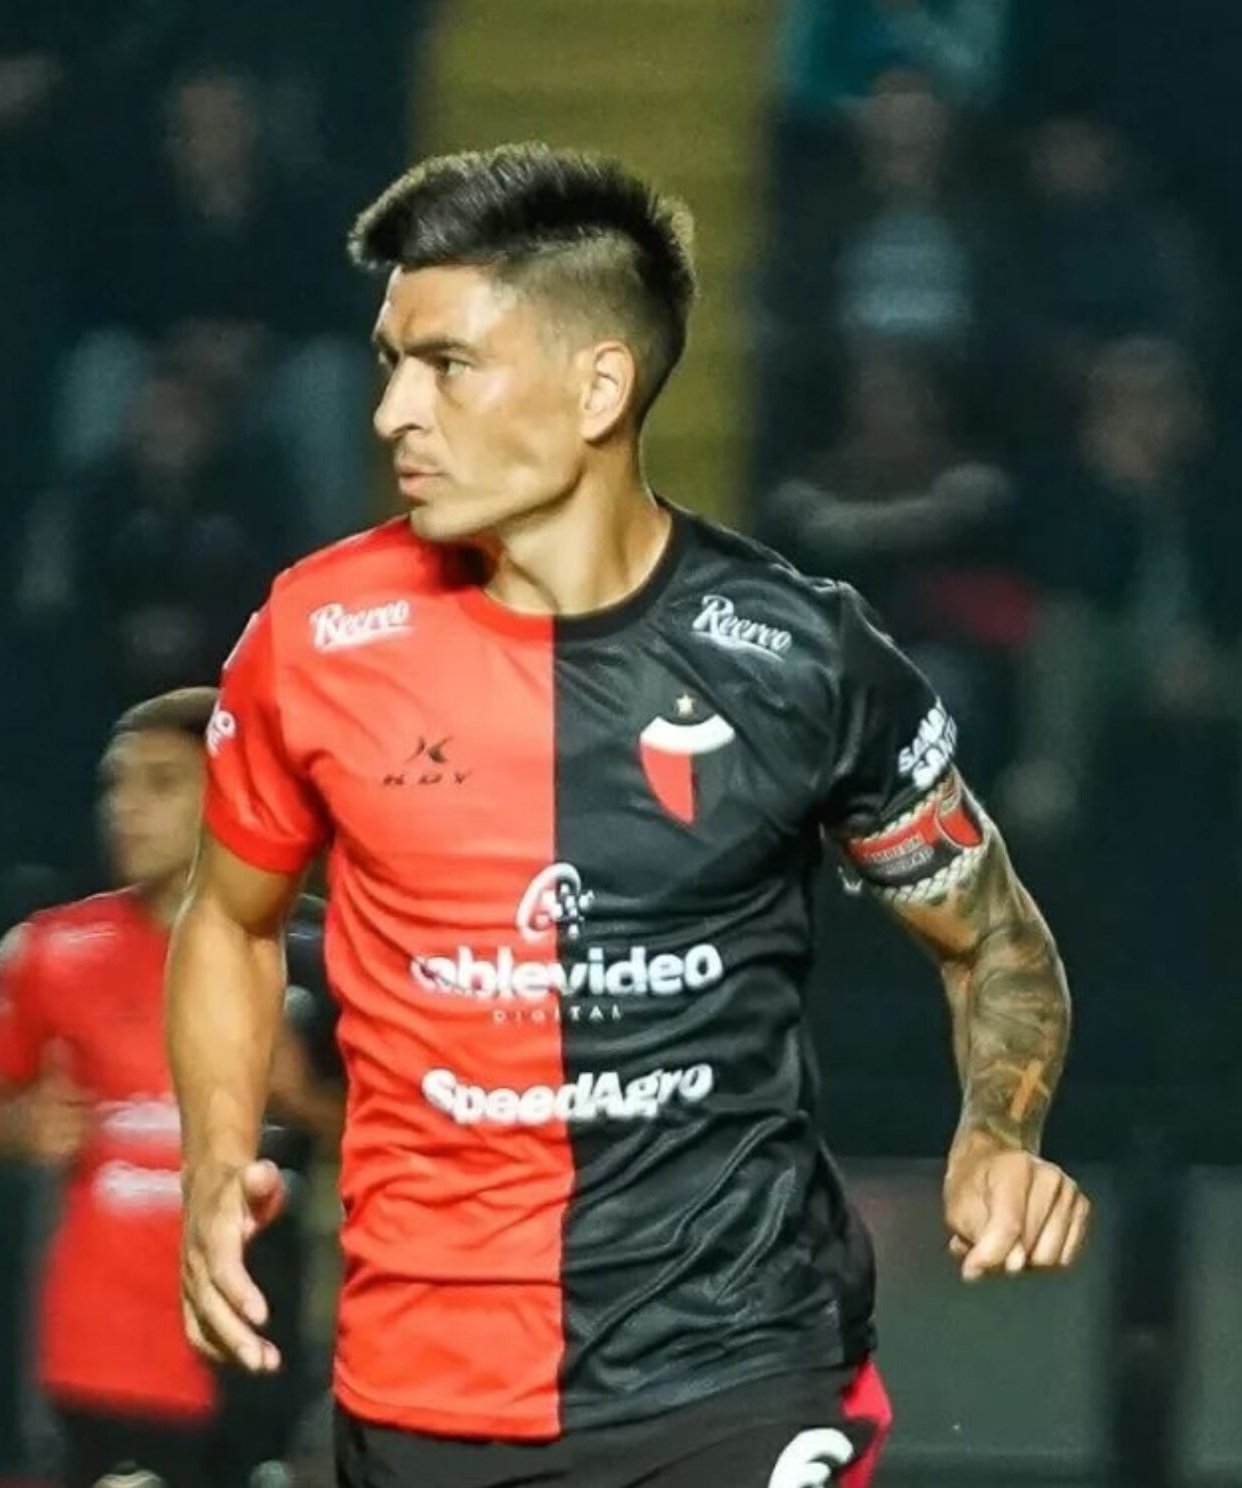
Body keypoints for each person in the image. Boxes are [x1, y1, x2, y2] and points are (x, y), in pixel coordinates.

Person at [168, 143, 1090, 1488]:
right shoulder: (315, 638)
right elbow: (228, 921)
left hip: (740, 1369)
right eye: (389, 363)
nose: (393, 414)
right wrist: (211, 1162)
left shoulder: (798, 660)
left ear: (599, 387)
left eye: (447, 366)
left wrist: (996, 1136)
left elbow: (994, 940)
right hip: (420, 1384)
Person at [0, 687, 341, 1488]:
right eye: (115, 785)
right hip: (102, 1361)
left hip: (269, 1351)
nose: (125, 809)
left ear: (231, 794)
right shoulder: (49, 952)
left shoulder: (324, 952)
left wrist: (304, 1102)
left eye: (160, 784)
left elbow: (428, 1137)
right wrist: (19, 1127)